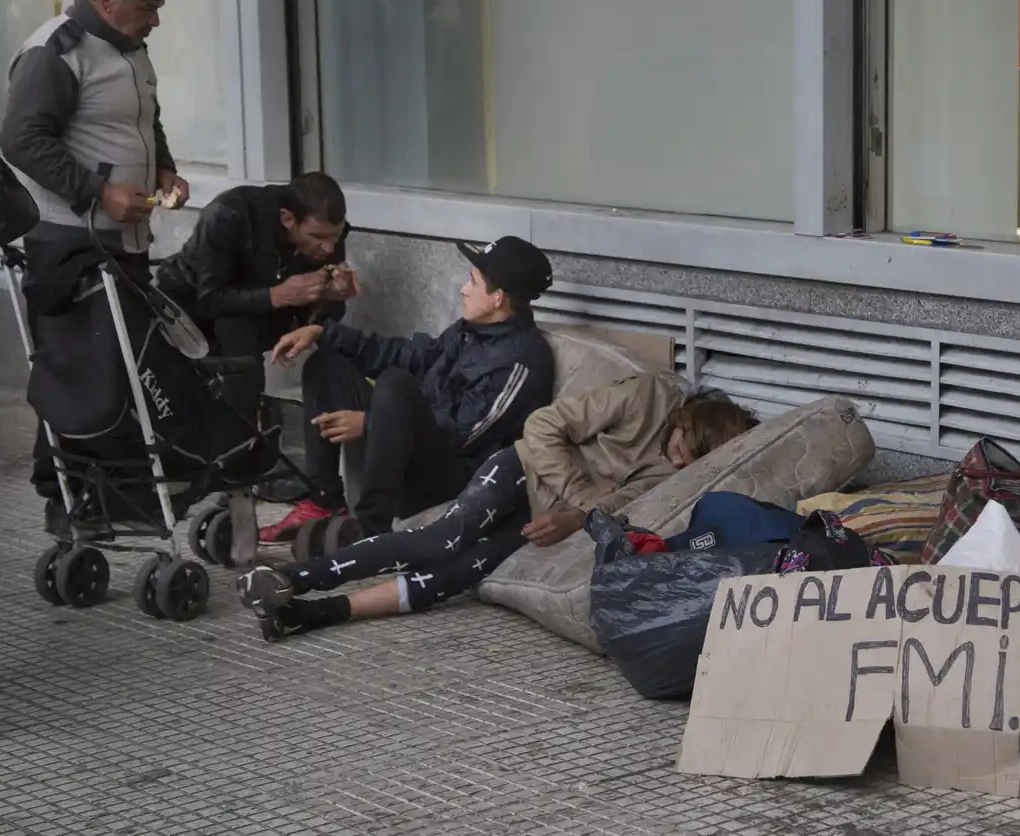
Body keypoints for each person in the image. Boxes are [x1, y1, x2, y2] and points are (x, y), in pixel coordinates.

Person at [235, 373, 760, 641]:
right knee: (441, 539)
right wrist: (575, 496)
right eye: (682, 445)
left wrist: (577, 518)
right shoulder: (646, 396)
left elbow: (620, 505)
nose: (676, 458)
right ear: (688, 420)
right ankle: (295, 579)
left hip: (551, 515)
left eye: (688, 461)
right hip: (522, 467)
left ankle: (311, 614)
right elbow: (545, 426)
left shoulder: (674, 474)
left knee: (454, 575)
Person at [0, 0, 190, 533]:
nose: (156, 18)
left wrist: (163, 167)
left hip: (123, 240)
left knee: (126, 371)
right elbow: (24, 142)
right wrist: (99, 192)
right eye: (147, 6)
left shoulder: (130, 48)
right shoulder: (56, 51)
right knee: (81, 374)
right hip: (69, 243)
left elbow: (142, 119)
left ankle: (115, 500)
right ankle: (68, 500)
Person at [258, 236, 557, 544]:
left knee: (394, 386)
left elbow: (465, 433)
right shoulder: (470, 331)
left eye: (473, 281)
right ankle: (324, 501)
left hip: (449, 480)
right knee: (326, 365)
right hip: (403, 448)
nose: (462, 290)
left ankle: (371, 528)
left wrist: (370, 422)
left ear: (498, 298)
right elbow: (410, 356)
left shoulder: (521, 360)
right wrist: (324, 332)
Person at [155, 172, 355, 423]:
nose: (328, 248)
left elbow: (316, 322)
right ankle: (241, 434)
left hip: (257, 312)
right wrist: (277, 296)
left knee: (331, 344)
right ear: (287, 218)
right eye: (318, 238)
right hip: (187, 308)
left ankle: (259, 432)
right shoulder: (229, 214)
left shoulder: (328, 237)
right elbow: (208, 298)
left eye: (334, 237)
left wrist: (332, 298)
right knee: (235, 329)